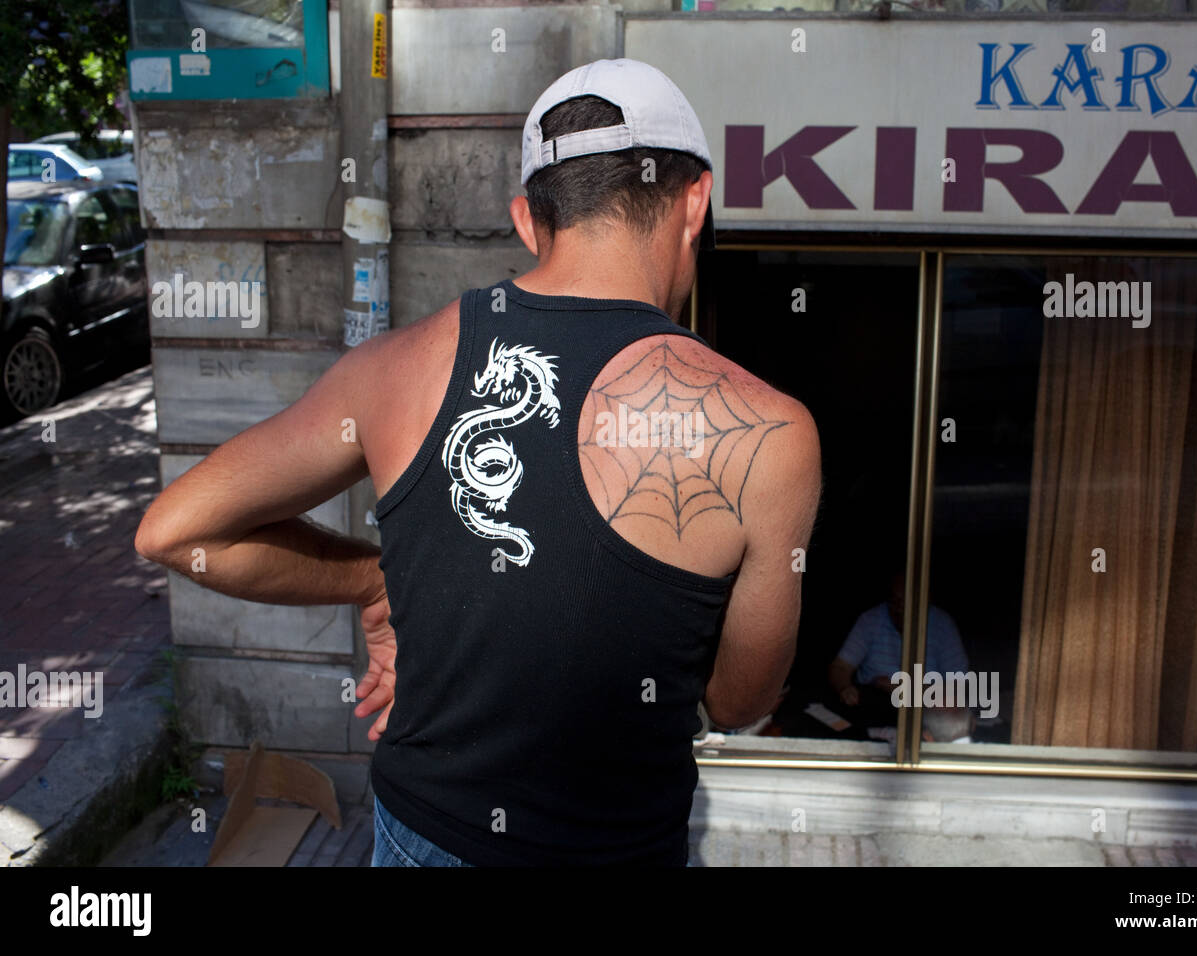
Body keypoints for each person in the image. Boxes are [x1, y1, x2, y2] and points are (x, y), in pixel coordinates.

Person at [134, 59, 822, 866]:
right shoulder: (770, 433)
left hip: (419, 837)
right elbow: (739, 703)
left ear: (528, 220)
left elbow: (173, 531)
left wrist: (369, 578)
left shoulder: (394, 371)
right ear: (695, 202)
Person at [827, 570, 972, 741]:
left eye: (908, 602)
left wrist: (905, 690)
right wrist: (845, 687)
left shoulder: (943, 625)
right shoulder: (871, 620)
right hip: (874, 708)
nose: (899, 609)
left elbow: (958, 687)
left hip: (925, 713)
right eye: (895, 602)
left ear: (926, 601)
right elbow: (840, 667)